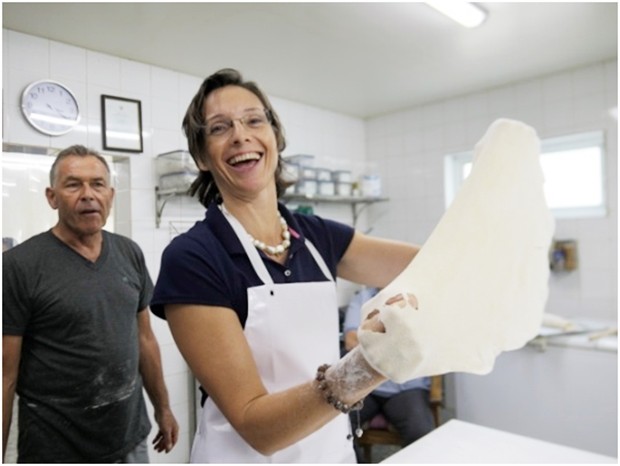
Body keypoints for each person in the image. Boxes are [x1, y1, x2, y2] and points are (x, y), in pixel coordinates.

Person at [150, 68, 420, 463]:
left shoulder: (316, 236)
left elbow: (433, 266)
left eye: (254, 120)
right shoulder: (193, 257)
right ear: (201, 157)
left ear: (275, 136)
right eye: (220, 128)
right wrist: (368, 364)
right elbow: (256, 425)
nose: (241, 134)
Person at [2, 145, 179, 463]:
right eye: (73, 184)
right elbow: (5, 374)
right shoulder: (18, 266)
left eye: (97, 184)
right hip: (55, 448)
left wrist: (163, 408)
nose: (88, 194)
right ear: (52, 196)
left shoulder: (129, 253)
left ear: (110, 195)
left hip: (128, 439)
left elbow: (145, 340)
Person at [344, 287, 435, 461]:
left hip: (406, 387)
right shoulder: (363, 297)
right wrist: (393, 345)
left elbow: (419, 343)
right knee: (338, 427)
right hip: (366, 387)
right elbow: (350, 341)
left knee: (420, 432)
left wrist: (370, 341)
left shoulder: (417, 298)